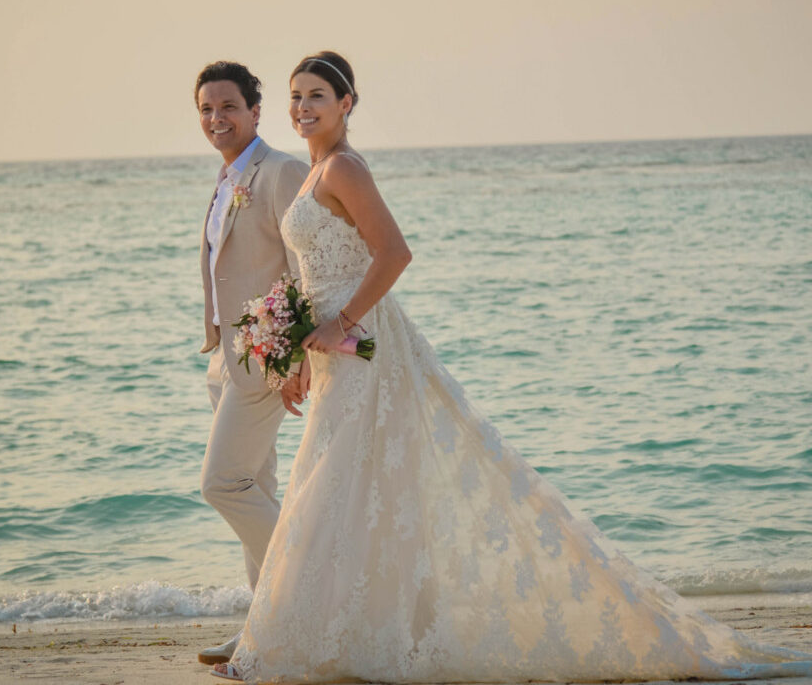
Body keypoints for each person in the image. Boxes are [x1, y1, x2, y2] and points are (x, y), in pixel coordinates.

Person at [212, 51, 812, 683]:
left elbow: (394, 253)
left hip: (364, 352)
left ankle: (278, 650)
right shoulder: (311, 175)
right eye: (296, 97)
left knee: (326, 492)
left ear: (346, 105)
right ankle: (352, 637)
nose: (303, 108)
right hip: (333, 358)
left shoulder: (345, 168)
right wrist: (302, 343)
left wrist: (343, 323)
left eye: (317, 97)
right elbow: (320, 272)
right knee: (350, 495)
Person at [193, 61, 310, 666]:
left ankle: (304, 594)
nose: (217, 119)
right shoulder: (226, 176)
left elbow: (305, 264)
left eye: (228, 107)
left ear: (255, 111)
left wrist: (295, 354)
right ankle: (263, 634)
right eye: (207, 110)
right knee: (254, 486)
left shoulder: (280, 170)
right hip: (227, 358)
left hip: (267, 358)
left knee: (224, 484)